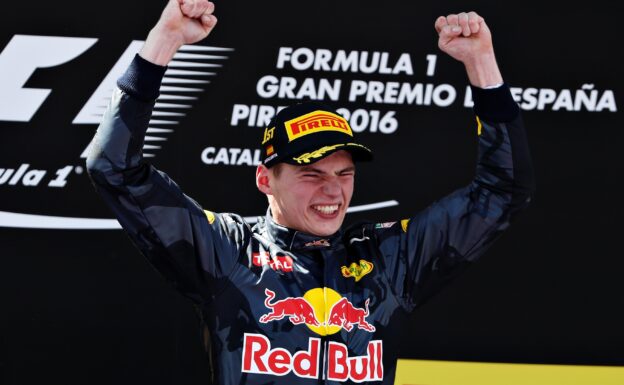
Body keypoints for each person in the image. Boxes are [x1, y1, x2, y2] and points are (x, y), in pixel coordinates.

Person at [86, 0, 534, 384]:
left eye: (343, 173)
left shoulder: (390, 258)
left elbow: (503, 191)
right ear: (265, 180)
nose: (333, 190)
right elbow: (114, 167)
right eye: (311, 173)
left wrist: (481, 64)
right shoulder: (227, 250)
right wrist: (163, 42)